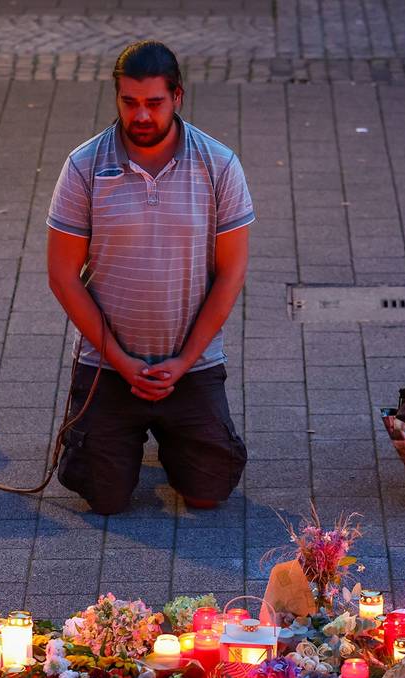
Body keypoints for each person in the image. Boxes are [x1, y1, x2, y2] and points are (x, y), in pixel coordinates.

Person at [46, 40, 253, 515]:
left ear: (178, 96)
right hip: (108, 364)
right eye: (129, 102)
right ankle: (125, 439)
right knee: (105, 500)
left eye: (154, 103)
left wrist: (183, 361)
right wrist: (118, 359)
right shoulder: (84, 165)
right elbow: (61, 275)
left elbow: (231, 272)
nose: (141, 115)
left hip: (192, 364)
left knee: (208, 494)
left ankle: (172, 438)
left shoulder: (219, 164)